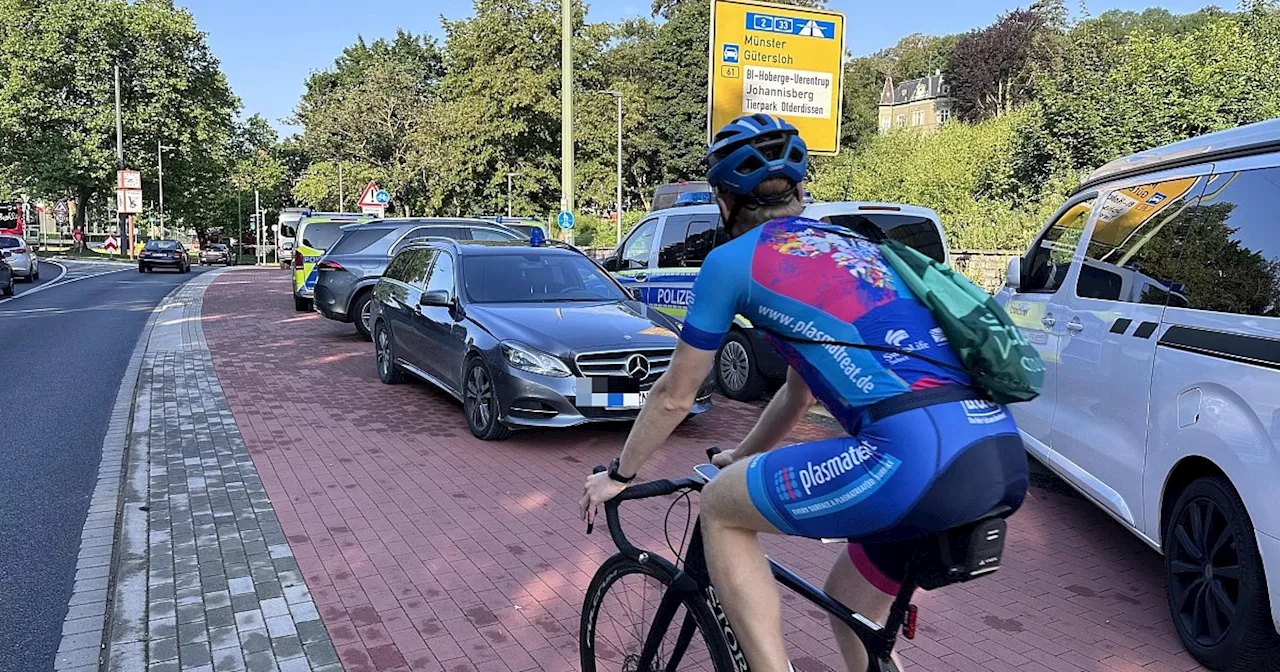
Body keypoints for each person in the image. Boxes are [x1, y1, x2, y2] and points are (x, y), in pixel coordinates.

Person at [581, 113, 1029, 672]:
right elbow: (797, 393)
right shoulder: (854, 244)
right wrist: (740, 457)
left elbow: (675, 394)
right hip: (996, 453)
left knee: (721, 509)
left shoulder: (730, 261)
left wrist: (621, 474)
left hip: (912, 458)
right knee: (849, 603)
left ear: (724, 201)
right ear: (800, 190)